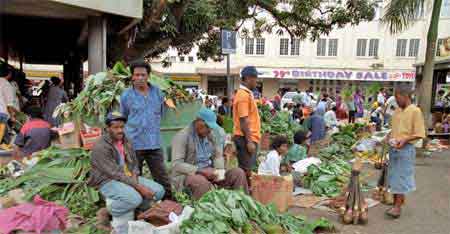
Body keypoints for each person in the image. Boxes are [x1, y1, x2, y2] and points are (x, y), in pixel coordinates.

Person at [88, 112, 165, 233]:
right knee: (134, 198)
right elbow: (114, 173)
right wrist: (138, 187)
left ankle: (137, 211)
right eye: (116, 127)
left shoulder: (125, 140)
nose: (120, 130)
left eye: (122, 127)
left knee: (159, 191)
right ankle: (108, 211)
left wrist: (134, 178)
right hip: (107, 180)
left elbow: (134, 163)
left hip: (127, 176)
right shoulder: (100, 147)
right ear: (107, 128)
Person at [120, 61, 172, 199]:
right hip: (134, 144)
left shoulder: (158, 93)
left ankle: (170, 204)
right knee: (136, 179)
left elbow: (161, 114)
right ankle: (140, 208)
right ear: (132, 77)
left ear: (148, 76)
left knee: (162, 177)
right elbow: (123, 117)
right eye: (137, 75)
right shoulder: (126, 96)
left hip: (154, 143)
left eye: (143, 75)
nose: (140, 78)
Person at [171, 108, 248, 199]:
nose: (209, 130)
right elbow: (176, 165)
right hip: (190, 174)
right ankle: (207, 210)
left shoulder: (211, 136)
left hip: (210, 173)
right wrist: (200, 171)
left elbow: (217, 156)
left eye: (210, 127)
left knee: (238, 173)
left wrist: (220, 172)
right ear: (198, 121)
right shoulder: (182, 136)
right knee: (201, 182)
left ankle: (242, 204)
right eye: (207, 126)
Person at [384, 85, 425, 219]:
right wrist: (388, 137)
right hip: (394, 148)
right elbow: (394, 129)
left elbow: (419, 133)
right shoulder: (397, 111)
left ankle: (397, 207)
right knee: (394, 177)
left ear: (406, 96)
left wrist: (405, 139)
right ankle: (398, 202)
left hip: (405, 149)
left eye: (397, 97)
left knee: (400, 177)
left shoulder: (415, 111)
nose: (396, 100)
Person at [233, 66, 261, 179]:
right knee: (246, 171)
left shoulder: (246, 94)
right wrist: (249, 141)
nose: (256, 81)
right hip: (246, 139)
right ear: (248, 78)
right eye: (255, 78)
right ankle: (244, 193)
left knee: (247, 170)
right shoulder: (243, 95)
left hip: (248, 137)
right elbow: (243, 119)